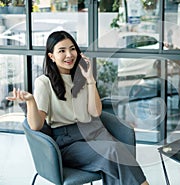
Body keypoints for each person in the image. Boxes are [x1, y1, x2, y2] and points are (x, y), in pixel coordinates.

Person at [6, 30, 149, 185]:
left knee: (114, 159)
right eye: (62, 50)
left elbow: (95, 112)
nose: (69, 55)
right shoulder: (44, 82)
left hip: (94, 133)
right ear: (51, 56)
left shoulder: (82, 78)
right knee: (113, 151)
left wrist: (90, 80)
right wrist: (31, 101)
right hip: (68, 142)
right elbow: (36, 125)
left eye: (72, 49)